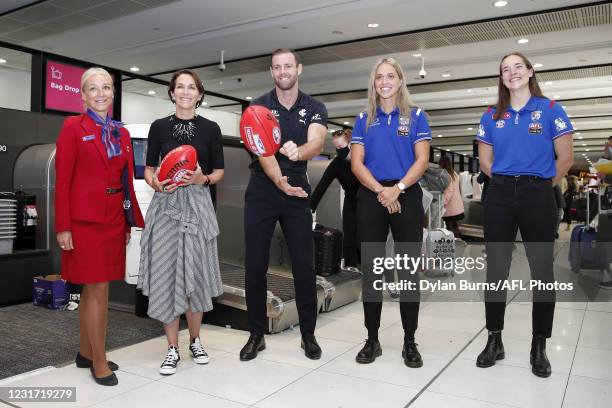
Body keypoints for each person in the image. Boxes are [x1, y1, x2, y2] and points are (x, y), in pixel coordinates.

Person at [475, 52, 574, 377]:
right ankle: (494, 339)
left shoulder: (550, 109)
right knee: (496, 269)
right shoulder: (492, 115)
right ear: (501, 78)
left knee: (542, 271)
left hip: (537, 193)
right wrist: (506, 180)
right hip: (500, 193)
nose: (512, 72)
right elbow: (485, 160)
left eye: (518, 66)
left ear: (530, 71)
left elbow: (565, 158)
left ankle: (539, 344)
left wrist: (542, 183)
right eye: (505, 69)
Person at [55, 67, 144, 386]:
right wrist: (63, 226)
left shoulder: (120, 132)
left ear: (113, 93)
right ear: (82, 95)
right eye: (94, 88)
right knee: (96, 289)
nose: (101, 93)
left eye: (107, 87)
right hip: (83, 222)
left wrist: (129, 219)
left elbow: (125, 181)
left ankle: (85, 351)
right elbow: (62, 181)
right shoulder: (72, 128)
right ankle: (99, 360)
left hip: (111, 219)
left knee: (98, 288)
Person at [240, 48, 328, 361]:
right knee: (255, 264)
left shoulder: (314, 106)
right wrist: (280, 182)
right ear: (272, 72)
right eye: (277, 67)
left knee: (304, 264)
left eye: (288, 66)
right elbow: (263, 153)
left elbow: (317, 141)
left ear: (299, 69)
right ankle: (256, 334)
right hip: (264, 188)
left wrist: (299, 152)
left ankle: (308, 334)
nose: (282, 72)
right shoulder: (258, 106)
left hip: (298, 191)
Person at [137, 69, 224, 376]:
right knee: (167, 275)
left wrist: (203, 178)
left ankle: (196, 340)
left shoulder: (211, 128)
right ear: (172, 93)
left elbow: (218, 172)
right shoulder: (159, 127)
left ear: (200, 94)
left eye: (192, 87)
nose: (186, 92)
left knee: (196, 276)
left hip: (198, 207)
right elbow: (149, 169)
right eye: (180, 87)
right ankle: (172, 347)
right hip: (166, 209)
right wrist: (156, 183)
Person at [351, 56, 431, 367]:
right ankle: (372, 339)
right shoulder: (363, 119)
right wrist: (382, 192)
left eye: (390, 76)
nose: (384, 81)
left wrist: (396, 189)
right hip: (372, 194)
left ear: (400, 81)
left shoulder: (417, 116)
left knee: (408, 271)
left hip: (405, 192)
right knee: (372, 271)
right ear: (374, 82)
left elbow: (421, 159)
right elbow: (357, 163)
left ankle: (410, 340)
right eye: (379, 77)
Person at [310, 129, 360, 268]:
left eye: (341, 147)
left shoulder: (363, 158)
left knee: (364, 238)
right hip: (350, 202)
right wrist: (310, 207)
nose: (339, 151)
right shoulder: (337, 164)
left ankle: (371, 270)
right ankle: (352, 268)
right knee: (349, 238)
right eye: (336, 148)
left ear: (351, 144)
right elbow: (322, 186)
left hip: (367, 202)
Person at [438, 155, 464, 238]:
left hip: (450, 207)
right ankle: (458, 243)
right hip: (457, 206)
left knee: (450, 228)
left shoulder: (446, 175)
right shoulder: (454, 174)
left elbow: (449, 191)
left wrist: (441, 202)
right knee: (454, 226)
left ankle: (454, 245)